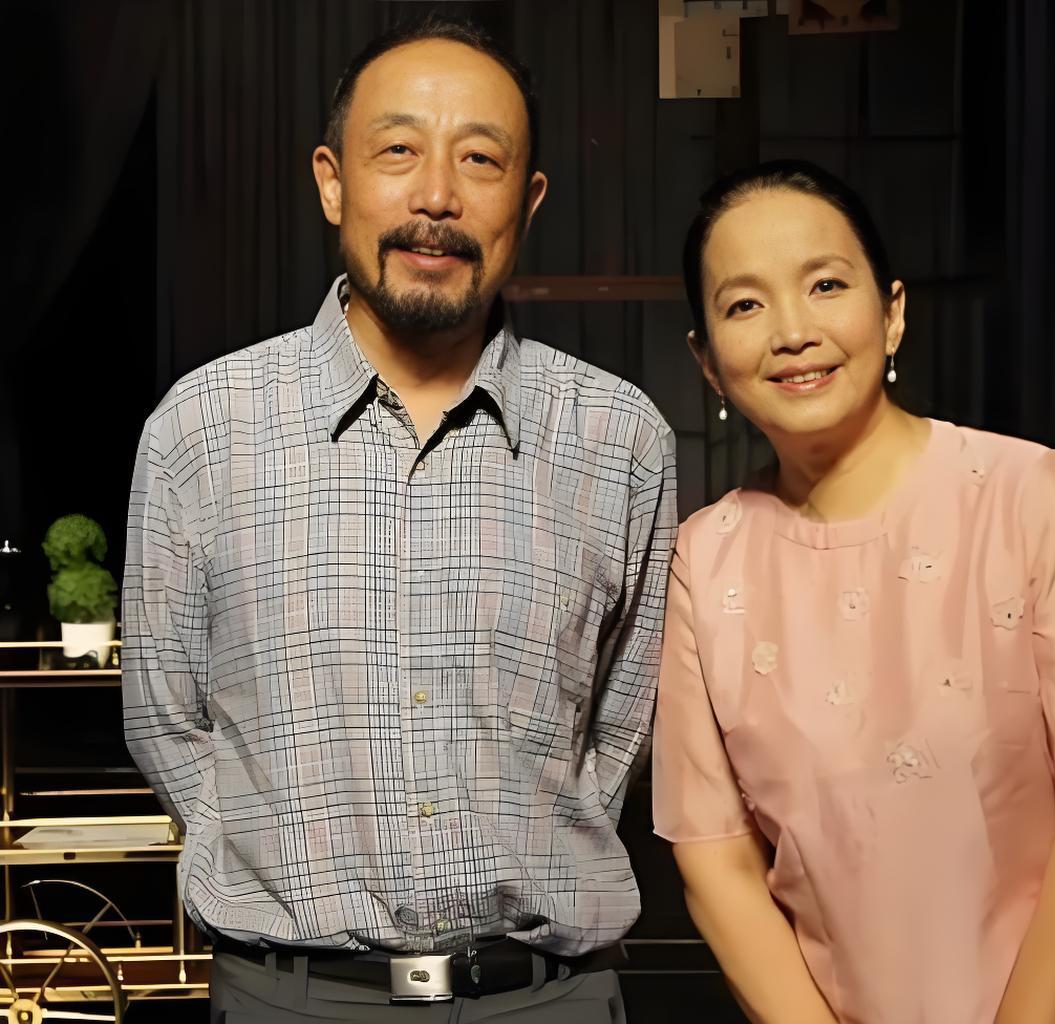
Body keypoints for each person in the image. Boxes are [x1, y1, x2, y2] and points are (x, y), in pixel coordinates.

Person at [123, 15, 675, 1023]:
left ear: (528, 200)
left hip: (544, 999)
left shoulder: (619, 437)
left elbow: (617, 729)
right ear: (333, 182)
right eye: (398, 151)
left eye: (480, 159)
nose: (436, 197)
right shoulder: (202, 429)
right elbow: (166, 719)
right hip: (289, 999)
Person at [651, 160, 1055, 1024]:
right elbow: (717, 861)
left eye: (826, 285)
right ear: (707, 362)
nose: (792, 331)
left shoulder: (1027, 495)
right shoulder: (705, 560)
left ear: (892, 312)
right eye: (745, 305)